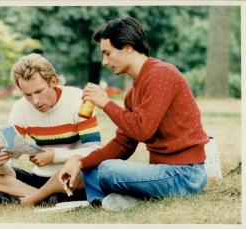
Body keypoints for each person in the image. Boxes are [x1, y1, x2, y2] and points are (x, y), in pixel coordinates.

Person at [58, 17, 209, 212]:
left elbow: (142, 130)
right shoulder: (133, 91)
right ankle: (113, 202)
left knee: (108, 169)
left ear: (128, 47)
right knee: (92, 168)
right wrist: (79, 161)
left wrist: (105, 103)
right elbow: (123, 144)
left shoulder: (161, 74)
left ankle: (128, 198)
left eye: (107, 53)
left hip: (185, 174)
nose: (104, 62)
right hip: (162, 172)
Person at [0, 53, 102, 206]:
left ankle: (27, 199)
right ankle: (44, 199)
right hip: (39, 179)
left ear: (53, 81)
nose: (35, 101)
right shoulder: (20, 108)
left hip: (72, 177)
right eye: (28, 95)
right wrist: (0, 162)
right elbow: (7, 168)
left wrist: (54, 156)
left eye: (39, 91)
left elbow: (95, 151)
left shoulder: (78, 100)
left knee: (87, 170)